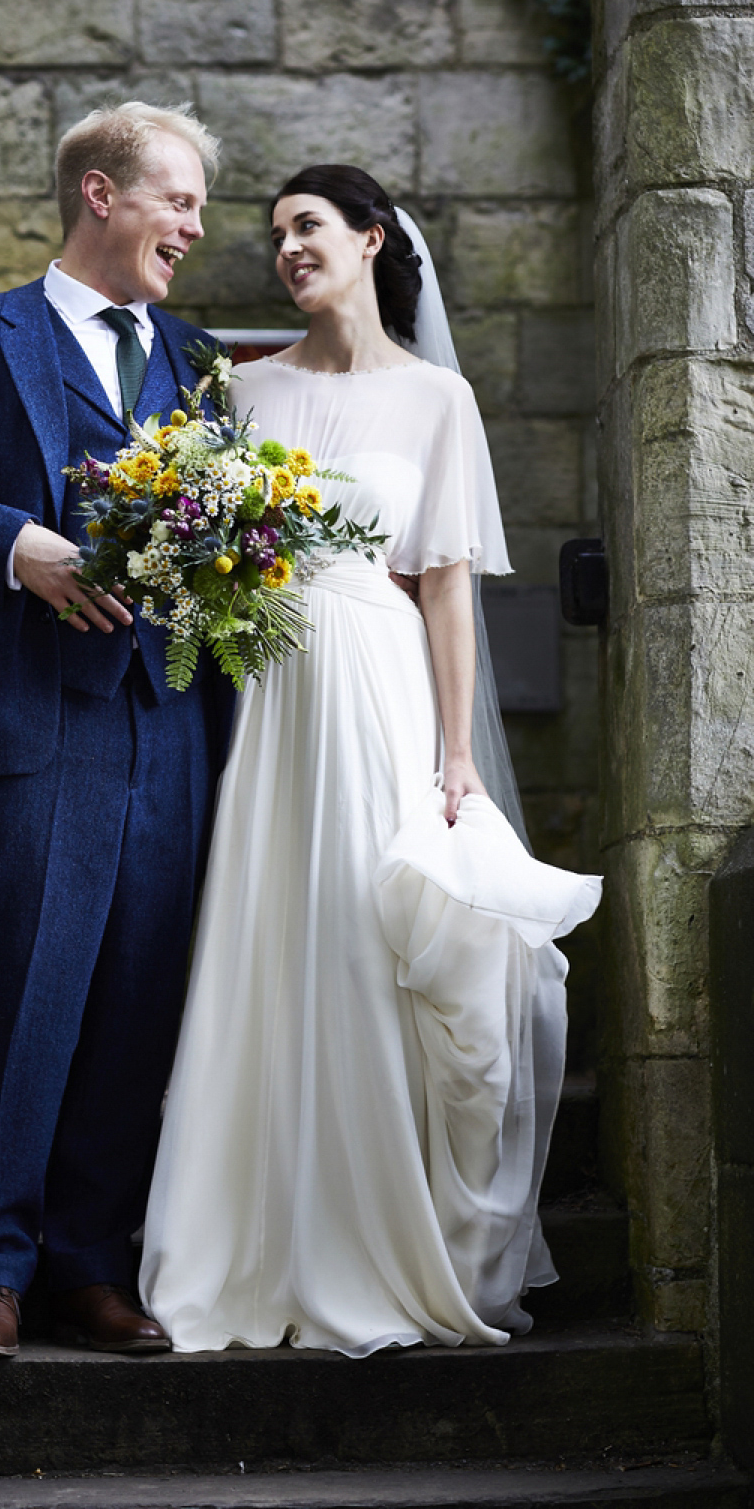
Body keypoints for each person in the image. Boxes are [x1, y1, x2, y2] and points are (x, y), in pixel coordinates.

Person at [139, 165, 601, 1357]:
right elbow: (200, 563)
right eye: (276, 233)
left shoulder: (439, 400)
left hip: (383, 686)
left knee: (369, 930)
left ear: (370, 240)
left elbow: (446, 589)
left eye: (309, 227)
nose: (287, 247)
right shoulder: (240, 393)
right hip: (272, 700)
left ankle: (383, 1229)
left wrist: (457, 753)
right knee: (272, 932)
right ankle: (260, 1233)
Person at [0, 102, 234, 1359]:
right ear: (99, 194)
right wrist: (14, 545)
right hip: (24, 715)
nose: (192, 225)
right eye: (176, 200)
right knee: (24, 992)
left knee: (139, 994)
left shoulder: (200, 362)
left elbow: (228, 533)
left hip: (167, 719)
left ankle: (89, 1264)